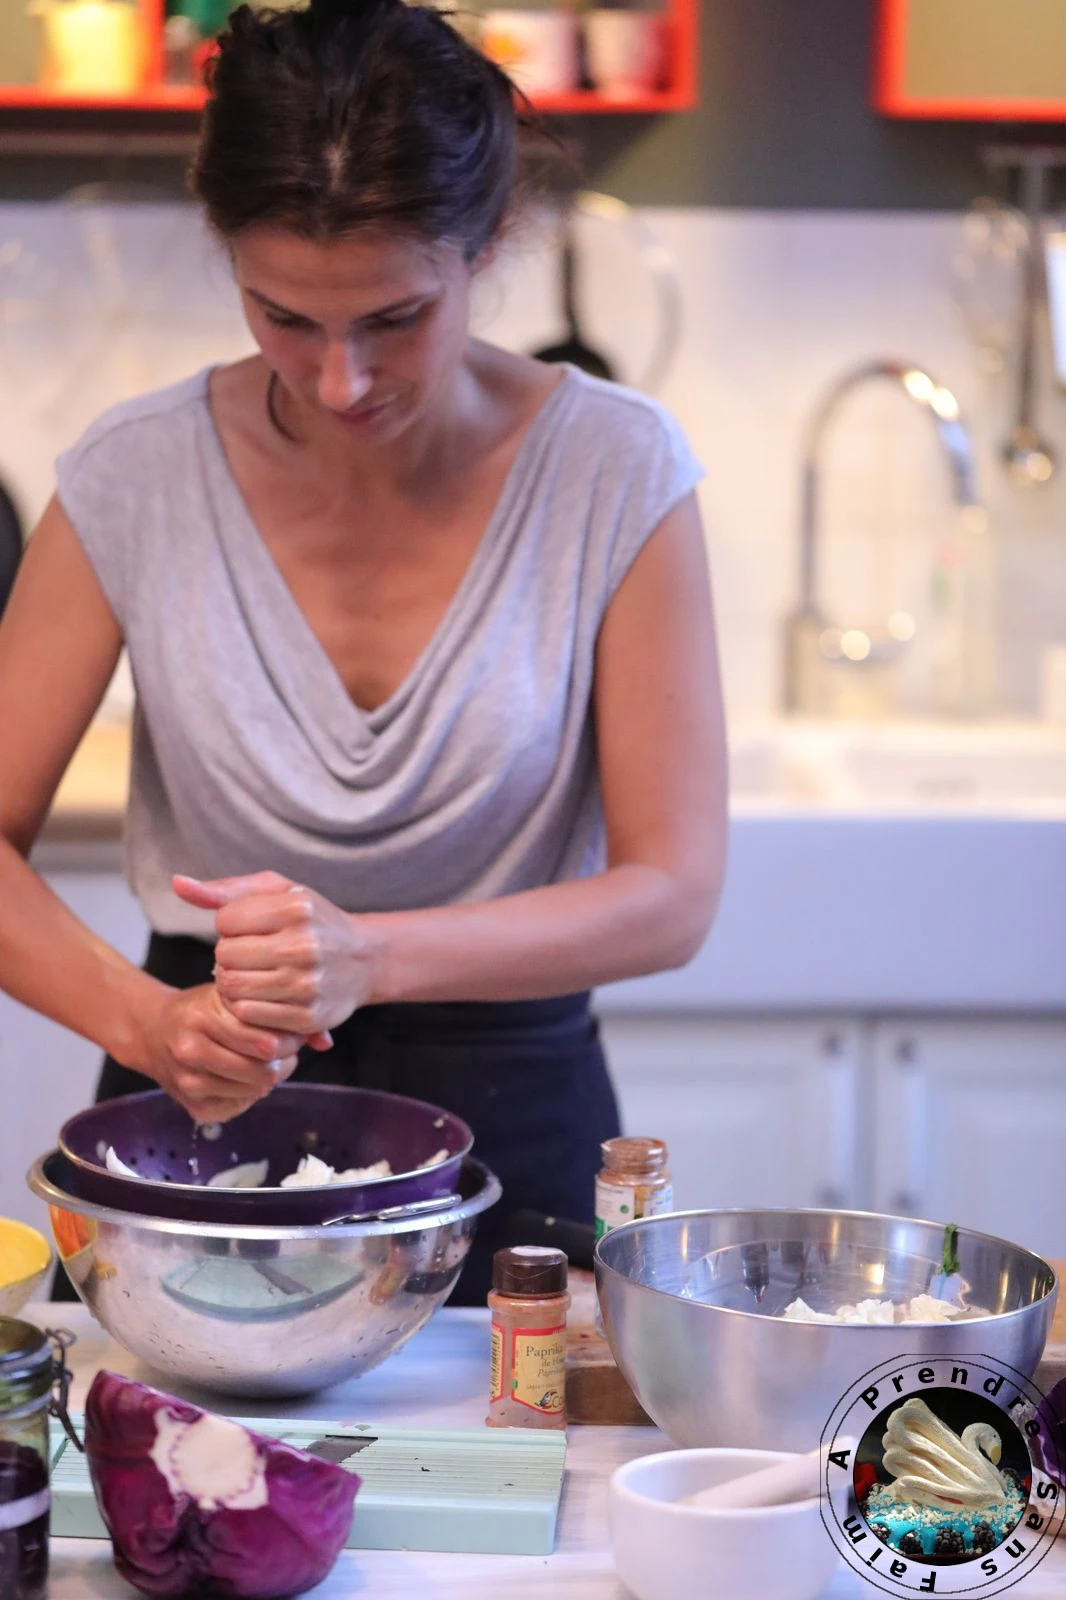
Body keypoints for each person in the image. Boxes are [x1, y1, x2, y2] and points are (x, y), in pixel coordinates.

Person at [0, 0, 727, 1304]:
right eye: (283, 318)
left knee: (528, 1491)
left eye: (394, 318)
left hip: (514, 1110)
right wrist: (146, 1024)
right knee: (163, 1492)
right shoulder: (135, 475)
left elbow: (673, 891)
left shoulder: (613, 469)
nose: (339, 382)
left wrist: (375, 956)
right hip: (199, 1097)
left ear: (486, 246)